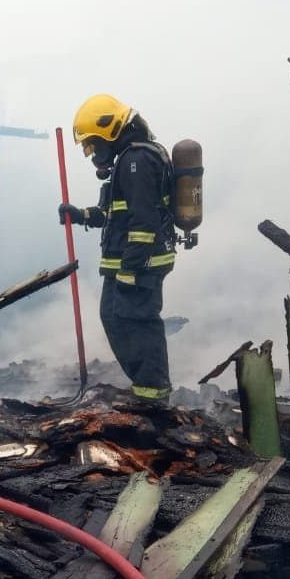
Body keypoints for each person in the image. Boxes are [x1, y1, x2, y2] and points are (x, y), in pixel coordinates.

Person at [58, 94, 177, 405]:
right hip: (128, 262)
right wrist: (80, 215)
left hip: (139, 263)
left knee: (137, 322)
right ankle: (147, 389)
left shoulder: (136, 161)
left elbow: (144, 220)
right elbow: (114, 215)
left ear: (109, 131)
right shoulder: (128, 160)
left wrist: (131, 267)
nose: (92, 154)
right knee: (115, 317)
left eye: (93, 145)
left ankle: (153, 395)